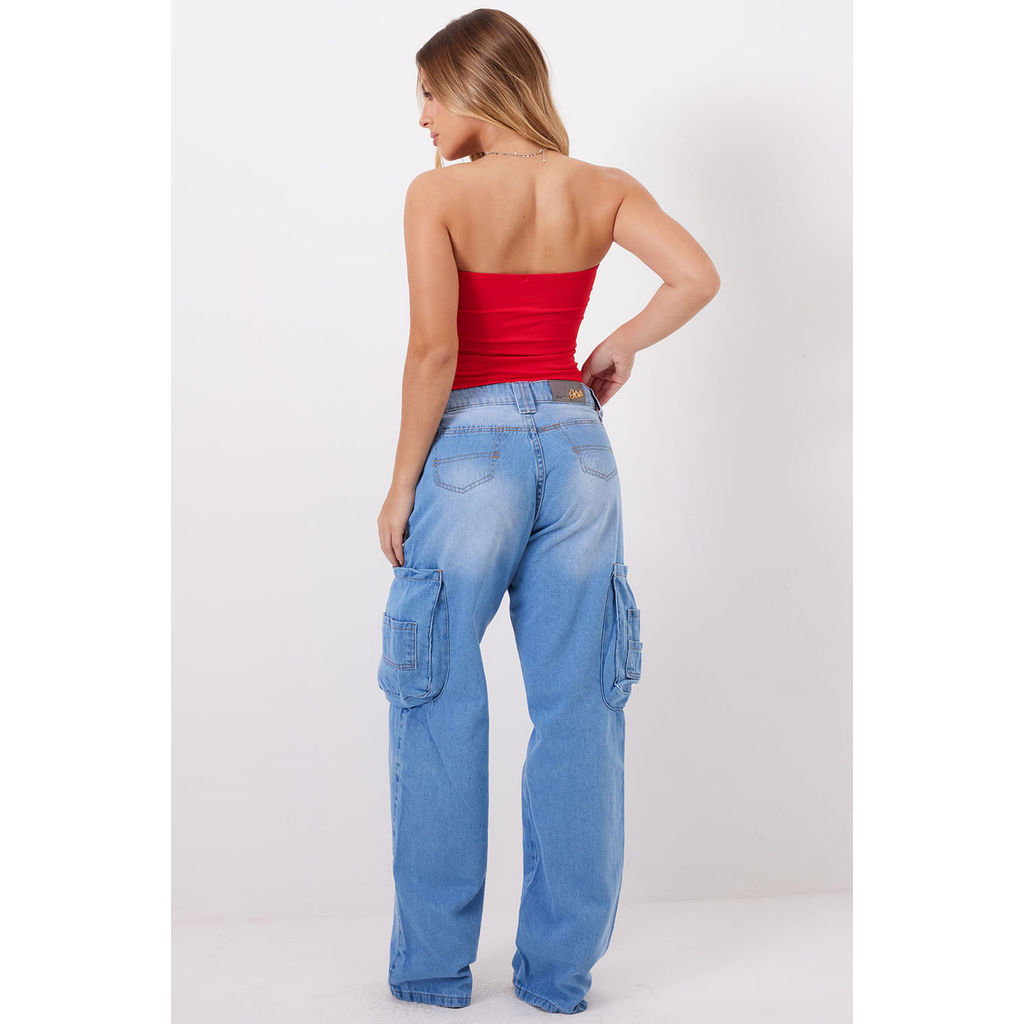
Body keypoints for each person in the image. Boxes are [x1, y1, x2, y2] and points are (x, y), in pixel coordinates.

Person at [375, 8, 720, 1014]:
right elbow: (696, 276)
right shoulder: (601, 188)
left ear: (472, 86)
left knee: (437, 697)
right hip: (578, 450)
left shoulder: (437, 196)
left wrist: (401, 481)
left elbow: (435, 351)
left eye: (429, 95)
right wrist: (620, 343)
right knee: (580, 708)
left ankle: (434, 969)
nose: (422, 118)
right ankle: (559, 975)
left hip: (470, 451)